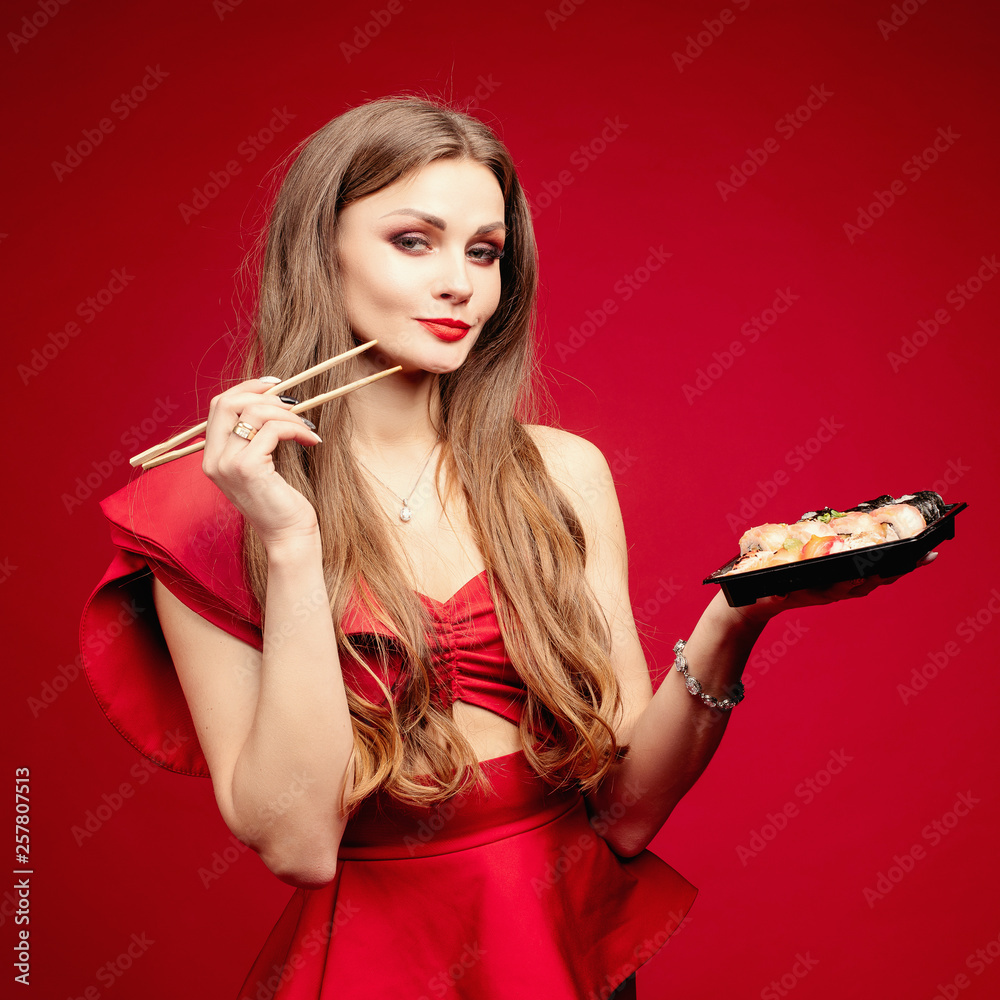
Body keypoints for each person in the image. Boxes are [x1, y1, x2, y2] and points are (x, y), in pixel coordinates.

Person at [79, 94, 933, 1000]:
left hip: (567, 945)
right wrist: (289, 542)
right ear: (319, 249)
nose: (462, 284)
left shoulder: (561, 474)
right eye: (415, 241)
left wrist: (737, 614)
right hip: (383, 966)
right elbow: (297, 845)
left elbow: (627, 813)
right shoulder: (202, 510)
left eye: (484, 251)